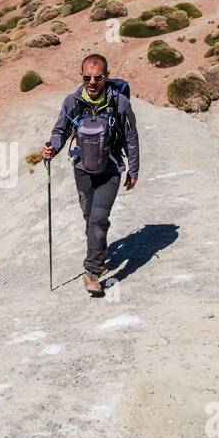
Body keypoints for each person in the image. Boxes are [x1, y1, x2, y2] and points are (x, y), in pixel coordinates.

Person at [41, 54, 140, 295]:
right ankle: (100, 252)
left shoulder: (120, 103)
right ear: (82, 76)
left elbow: (131, 137)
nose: (92, 82)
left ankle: (92, 272)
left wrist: (133, 168)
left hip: (111, 169)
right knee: (90, 217)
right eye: (88, 77)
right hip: (82, 168)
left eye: (98, 77)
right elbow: (60, 130)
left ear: (107, 76)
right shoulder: (72, 101)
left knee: (97, 218)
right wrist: (52, 147)